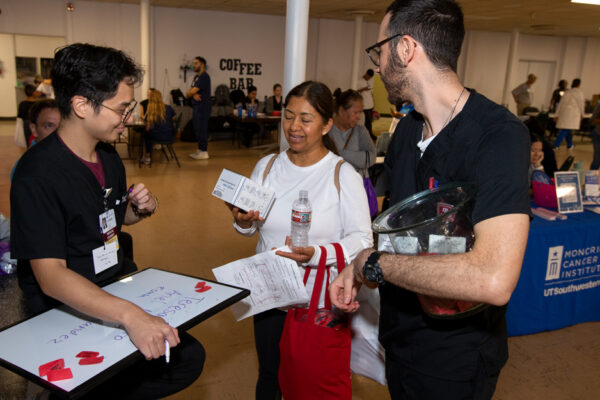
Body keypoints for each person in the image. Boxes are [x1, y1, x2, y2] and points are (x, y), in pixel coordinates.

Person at [330, 2, 531, 400]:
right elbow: (399, 237)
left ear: (405, 49)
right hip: (401, 342)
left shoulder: (498, 136)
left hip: (453, 362)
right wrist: (359, 269)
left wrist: (373, 263)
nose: (380, 62)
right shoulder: (406, 133)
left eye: (380, 51)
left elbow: (492, 278)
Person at [10, 43, 204, 399]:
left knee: (186, 357)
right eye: (122, 108)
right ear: (82, 105)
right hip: (67, 304)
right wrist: (131, 316)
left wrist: (139, 209)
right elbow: (50, 275)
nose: (129, 117)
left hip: (113, 281)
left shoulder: (108, 156)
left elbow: (111, 220)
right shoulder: (37, 175)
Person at [228, 81, 373, 400]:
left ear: (326, 125)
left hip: (317, 303)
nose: (294, 127)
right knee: (269, 375)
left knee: (310, 383)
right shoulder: (266, 168)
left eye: (305, 119)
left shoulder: (341, 174)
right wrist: (242, 222)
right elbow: (252, 229)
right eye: (289, 115)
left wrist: (317, 254)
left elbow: (363, 239)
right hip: (270, 298)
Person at [328, 89, 376, 178]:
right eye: (355, 112)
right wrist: (357, 157)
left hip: (357, 187)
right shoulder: (327, 131)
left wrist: (340, 153)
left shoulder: (360, 131)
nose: (359, 117)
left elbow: (371, 158)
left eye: (360, 112)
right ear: (341, 110)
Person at [11, 99, 61, 181]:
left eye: (62, 126)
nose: (57, 132)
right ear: (33, 129)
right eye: (49, 126)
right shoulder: (29, 167)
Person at [142, 89, 176, 165]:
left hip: (157, 137)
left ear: (150, 98)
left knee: (146, 134)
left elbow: (148, 128)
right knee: (151, 133)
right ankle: (148, 156)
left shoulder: (151, 110)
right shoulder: (169, 108)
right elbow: (174, 118)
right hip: (170, 136)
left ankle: (147, 157)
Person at [187, 56, 211, 160]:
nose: (194, 65)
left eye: (196, 63)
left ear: (202, 65)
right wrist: (192, 94)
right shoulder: (196, 77)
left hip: (203, 107)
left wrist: (191, 93)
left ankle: (204, 151)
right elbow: (189, 92)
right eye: (193, 63)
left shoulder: (204, 77)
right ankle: (200, 149)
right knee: (197, 128)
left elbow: (191, 92)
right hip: (196, 107)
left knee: (202, 129)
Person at [553, 78, 585, 151]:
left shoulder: (567, 92)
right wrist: (582, 114)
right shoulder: (580, 93)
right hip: (573, 114)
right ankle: (556, 145)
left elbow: (560, 104)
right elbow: (581, 105)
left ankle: (570, 144)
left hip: (564, 113)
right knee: (566, 129)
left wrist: (556, 114)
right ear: (579, 85)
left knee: (568, 129)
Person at [357, 69, 377, 141]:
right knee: (366, 122)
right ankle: (368, 135)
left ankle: (370, 134)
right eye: (369, 77)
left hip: (370, 104)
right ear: (366, 74)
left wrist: (374, 103)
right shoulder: (359, 81)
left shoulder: (369, 82)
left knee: (369, 121)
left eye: (370, 78)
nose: (369, 78)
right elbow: (356, 91)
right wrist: (363, 89)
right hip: (365, 105)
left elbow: (371, 93)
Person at [589, 100, 600, 170]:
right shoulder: (599, 106)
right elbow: (592, 120)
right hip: (598, 134)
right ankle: (592, 179)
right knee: (597, 158)